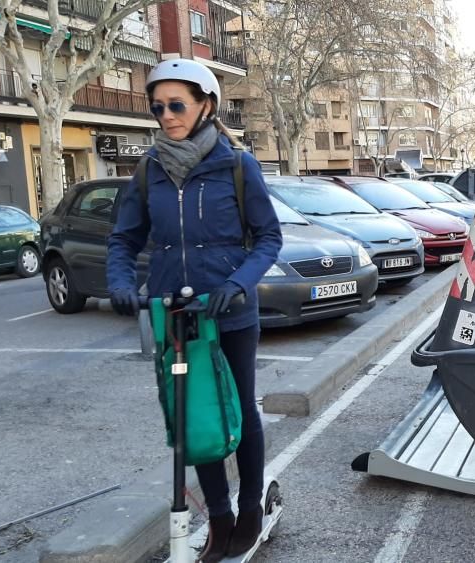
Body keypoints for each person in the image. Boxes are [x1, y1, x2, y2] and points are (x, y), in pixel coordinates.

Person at [106, 59, 282, 562]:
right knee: (193, 414)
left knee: (240, 409)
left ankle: (250, 511)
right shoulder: (149, 170)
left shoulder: (236, 165)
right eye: (158, 106)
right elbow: (124, 239)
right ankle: (219, 520)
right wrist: (121, 284)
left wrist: (238, 282)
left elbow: (269, 238)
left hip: (226, 309)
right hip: (175, 312)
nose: (166, 115)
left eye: (176, 104)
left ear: (206, 104)